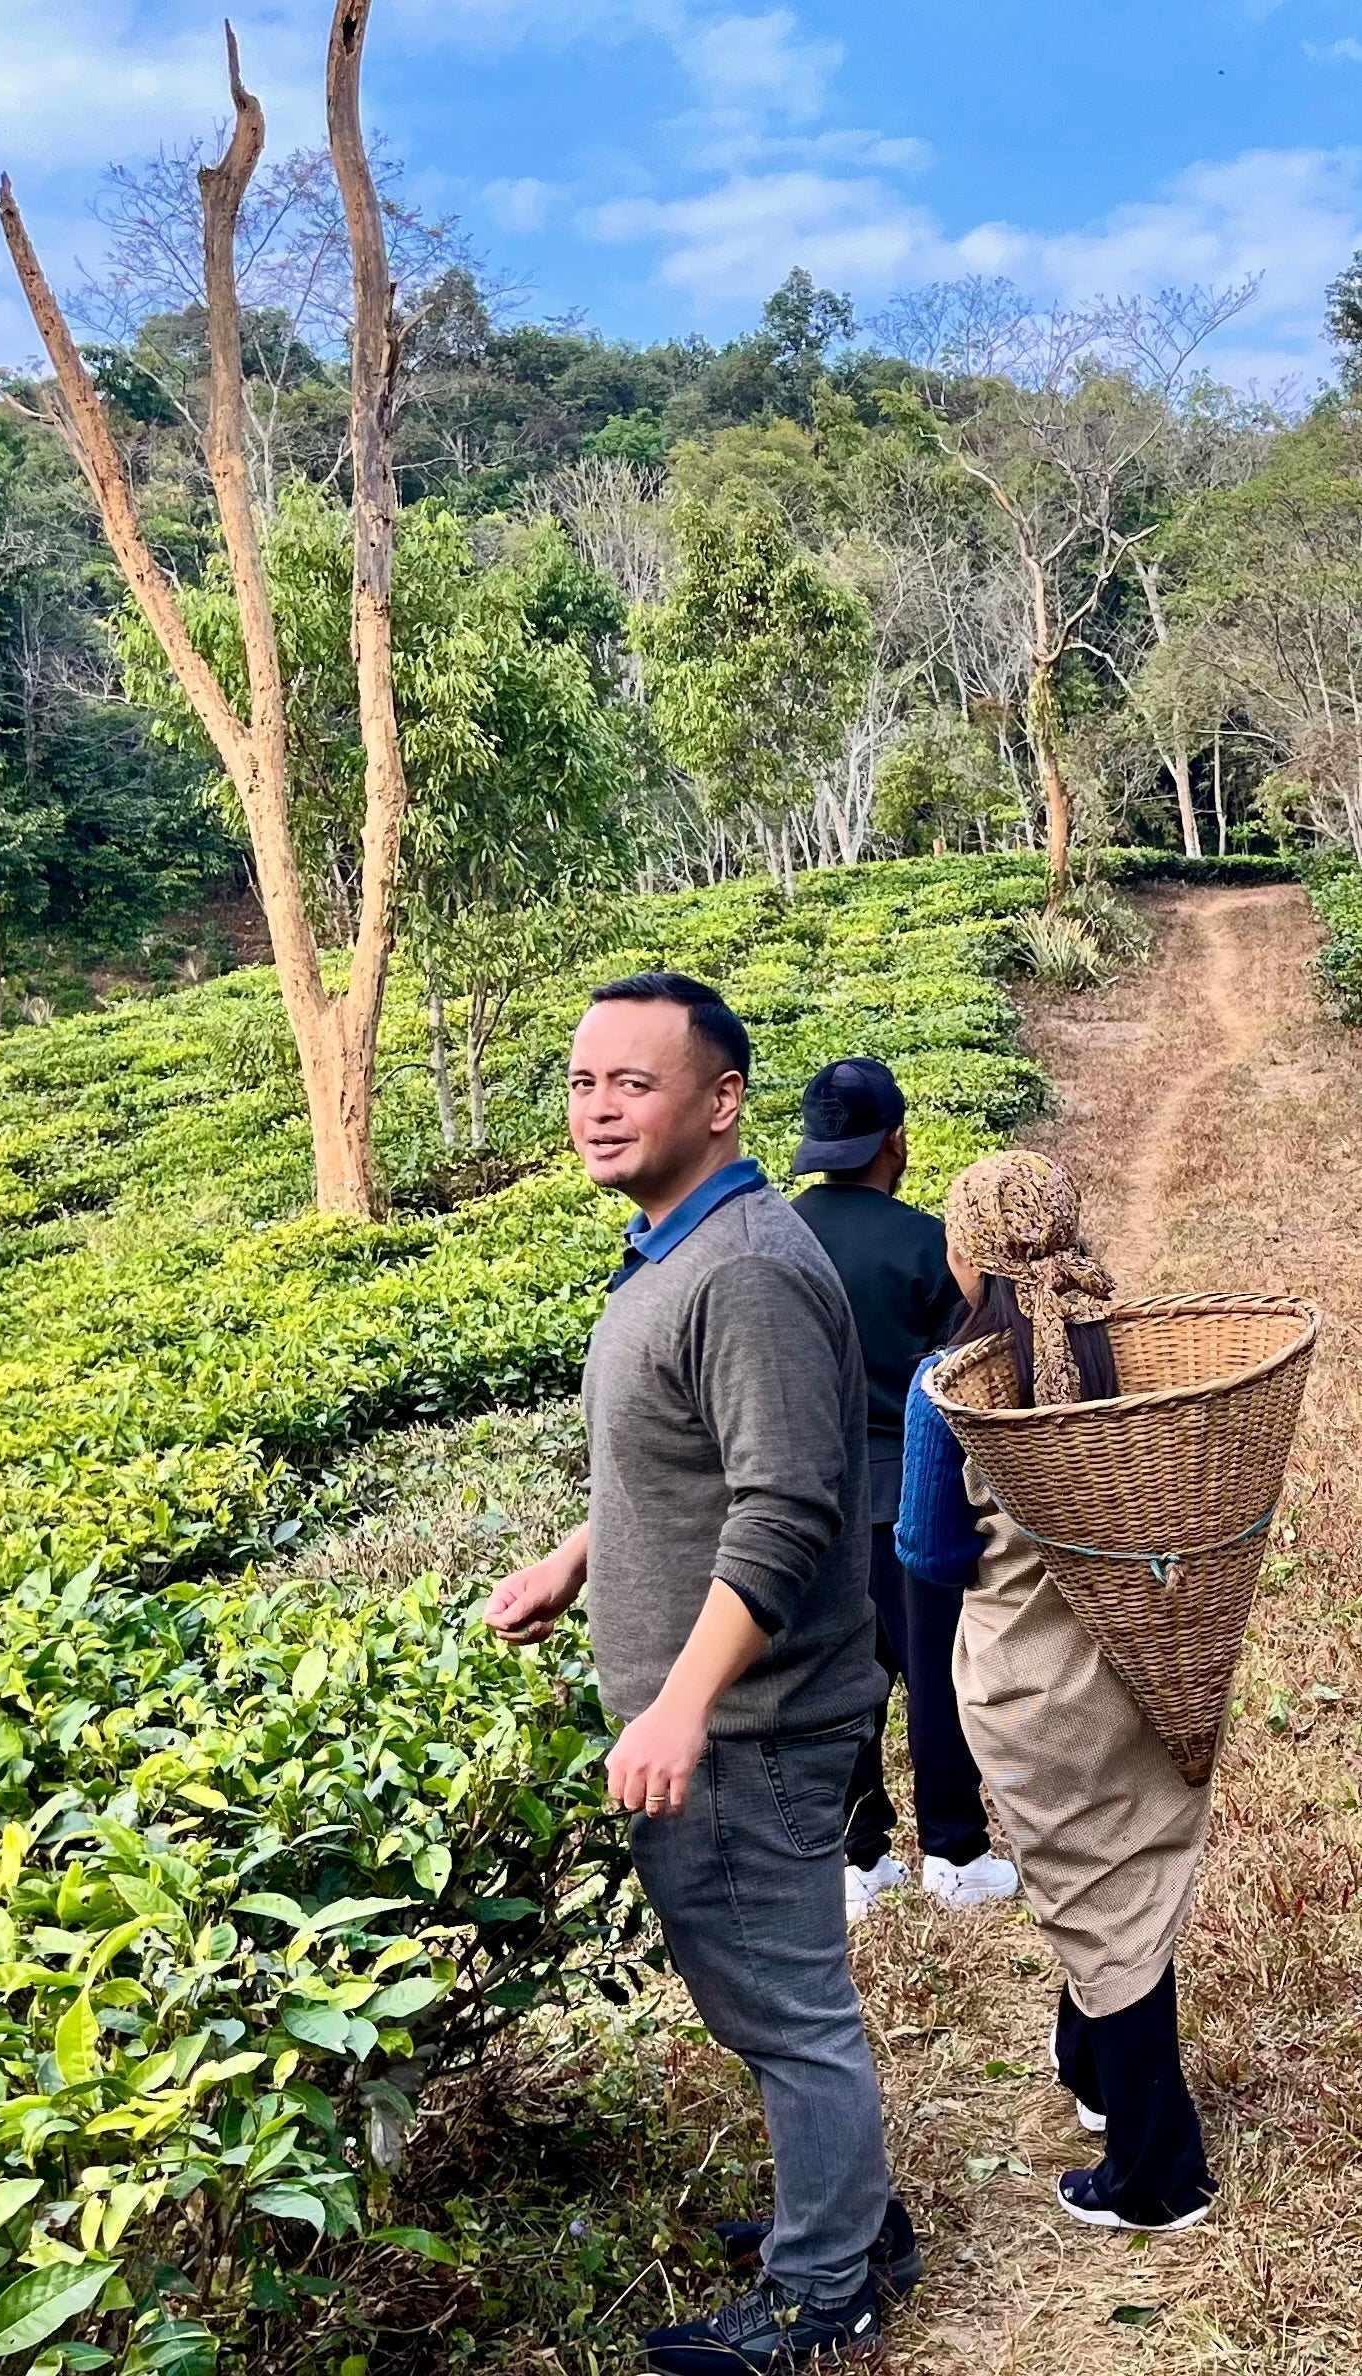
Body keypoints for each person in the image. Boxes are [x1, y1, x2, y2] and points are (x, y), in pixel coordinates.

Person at [484, 972, 918, 2370]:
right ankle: (851, 2218)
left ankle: (827, 2286)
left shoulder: (738, 1271)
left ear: (721, 1101)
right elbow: (679, 1463)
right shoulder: (677, 1247)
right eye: (579, 1081)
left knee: (784, 2012)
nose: (598, 1108)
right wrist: (576, 1557)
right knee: (766, 1998)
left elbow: (785, 1507)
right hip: (722, 1712)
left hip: (748, 1721)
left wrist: (679, 1698)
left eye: (634, 1081)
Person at [896, 1149, 1216, 2234]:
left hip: (1035, 1687)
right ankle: (1090, 2071)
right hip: (1152, 1661)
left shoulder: (948, 1388)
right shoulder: (1148, 1351)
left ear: (966, 1251)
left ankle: (1156, 2175)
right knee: (1122, 1879)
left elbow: (930, 1554)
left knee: (1093, 1898)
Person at [789, 1058, 1017, 1922]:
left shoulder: (774, 1239)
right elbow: (960, 1380)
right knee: (936, 1675)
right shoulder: (930, 1245)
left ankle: (858, 1861)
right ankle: (955, 1853)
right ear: (896, 1141)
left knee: (838, 1680)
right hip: (912, 1491)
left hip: (805, 1499)